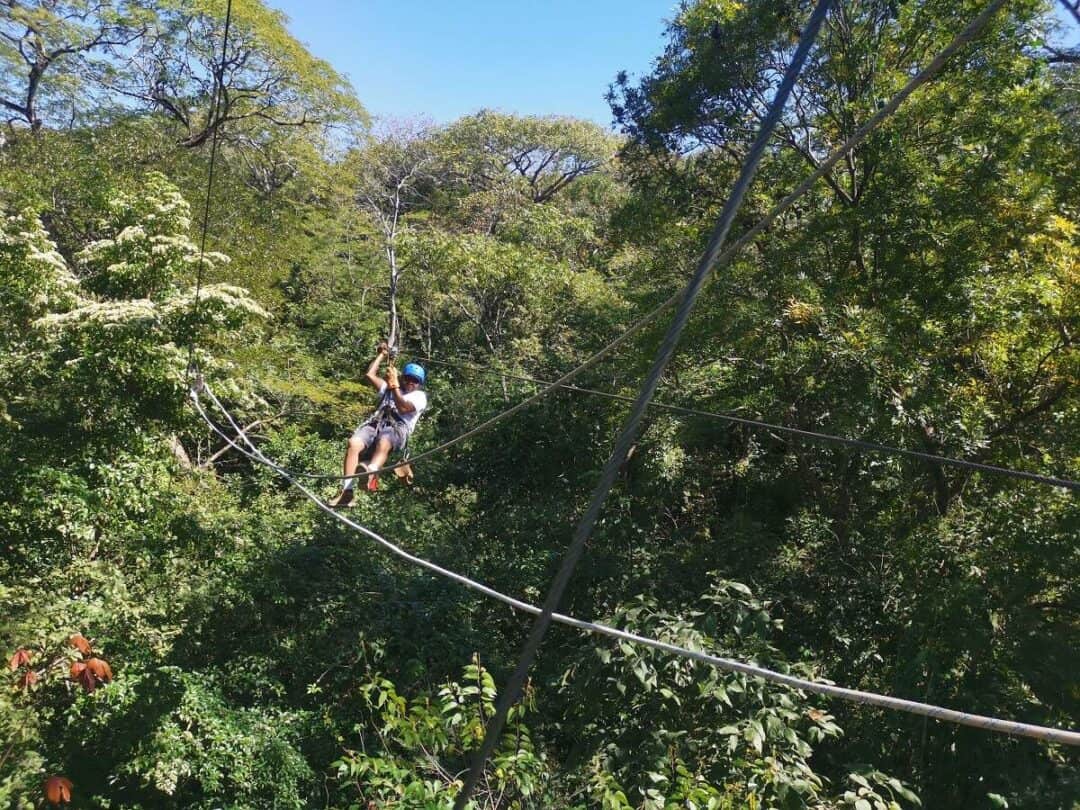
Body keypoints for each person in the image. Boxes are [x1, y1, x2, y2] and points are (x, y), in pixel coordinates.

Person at [329, 344, 427, 506]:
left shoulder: (419, 396)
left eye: (415, 381)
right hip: (377, 422)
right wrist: (382, 355)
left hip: (398, 428)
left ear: (419, 383)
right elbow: (369, 375)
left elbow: (403, 408)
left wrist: (394, 385)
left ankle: (371, 470)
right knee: (353, 443)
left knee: (385, 440)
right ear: (403, 377)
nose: (411, 382)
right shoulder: (389, 388)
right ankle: (347, 491)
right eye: (408, 378)